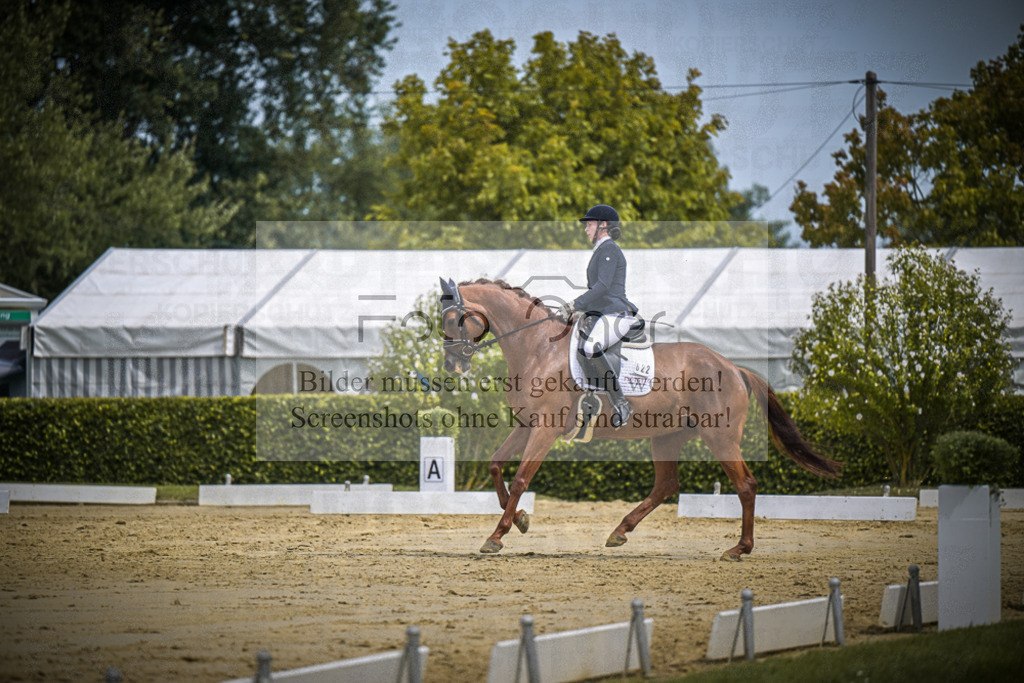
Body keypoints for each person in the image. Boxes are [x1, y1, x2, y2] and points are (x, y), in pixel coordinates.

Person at [558, 204, 638, 428]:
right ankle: (591, 397)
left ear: (603, 225)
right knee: (579, 342)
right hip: (603, 314)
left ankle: (621, 403)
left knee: (591, 347)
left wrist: (575, 304)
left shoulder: (610, 249)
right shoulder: (601, 250)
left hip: (617, 314)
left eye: (589, 224)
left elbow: (602, 287)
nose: (586, 229)